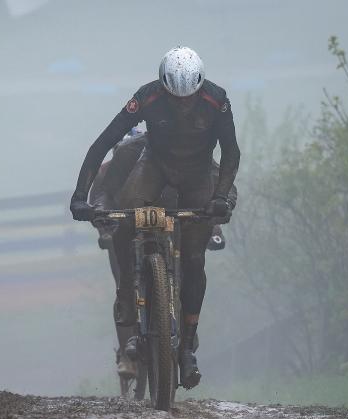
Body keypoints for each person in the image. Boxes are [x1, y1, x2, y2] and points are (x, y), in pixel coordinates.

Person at [70, 47, 241, 388]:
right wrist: (79, 195)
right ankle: (130, 299)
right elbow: (103, 142)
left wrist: (221, 197)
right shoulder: (146, 97)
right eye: (174, 99)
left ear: (200, 88)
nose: (182, 105)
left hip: (196, 174)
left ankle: (188, 346)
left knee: (194, 260)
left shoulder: (217, 100)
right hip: (156, 165)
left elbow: (231, 151)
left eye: (188, 99)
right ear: (162, 88)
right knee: (125, 220)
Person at [88, 129, 238, 378]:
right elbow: (99, 199)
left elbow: (213, 186)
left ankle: (184, 320)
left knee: (188, 267)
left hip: (172, 223)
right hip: (129, 228)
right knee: (125, 279)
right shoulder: (115, 165)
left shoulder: (184, 154)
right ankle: (129, 341)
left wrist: (216, 221)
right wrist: (104, 224)